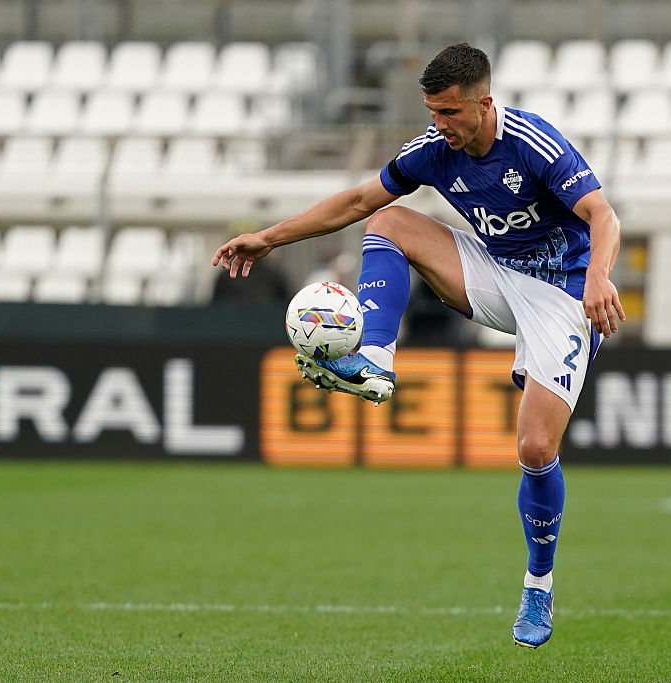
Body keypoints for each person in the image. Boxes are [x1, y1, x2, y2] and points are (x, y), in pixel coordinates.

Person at [212, 43, 625, 648]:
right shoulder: (435, 151)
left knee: (536, 448)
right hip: (496, 274)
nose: (440, 126)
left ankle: (539, 583)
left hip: (563, 294)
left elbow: (603, 215)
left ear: (484, 104)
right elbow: (356, 203)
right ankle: (376, 359)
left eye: (450, 114)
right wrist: (270, 238)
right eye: (432, 113)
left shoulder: (532, 143)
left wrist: (596, 280)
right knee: (386, 223)